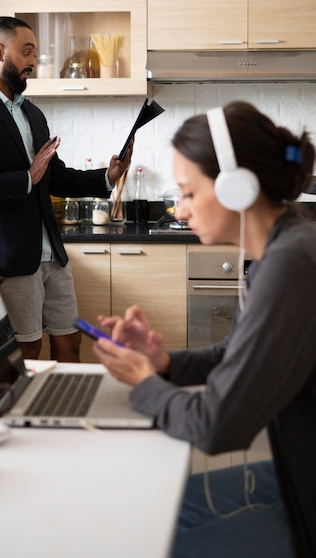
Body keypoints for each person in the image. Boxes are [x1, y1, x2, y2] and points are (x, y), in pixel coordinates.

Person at [92, 101, 316, 558]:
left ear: (237, 188)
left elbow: (216, 426)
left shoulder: (291, 264)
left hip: (305, 512)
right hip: (297, 477)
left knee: (136, 533)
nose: (178, 210)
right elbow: (235, 356)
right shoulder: (286, 246)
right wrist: (164, 362)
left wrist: (144, 383)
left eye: (189, 193)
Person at [0, 16, 132, 363]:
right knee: (26, 350)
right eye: (26, 52)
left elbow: (53, 176)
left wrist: (107, 176)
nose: (33, 62)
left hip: (51, 256)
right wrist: (26, 177)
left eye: (35, 53)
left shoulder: (34, 114)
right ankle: (26, 416)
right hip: (8, 256)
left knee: (70, 342)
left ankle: (65, 413)